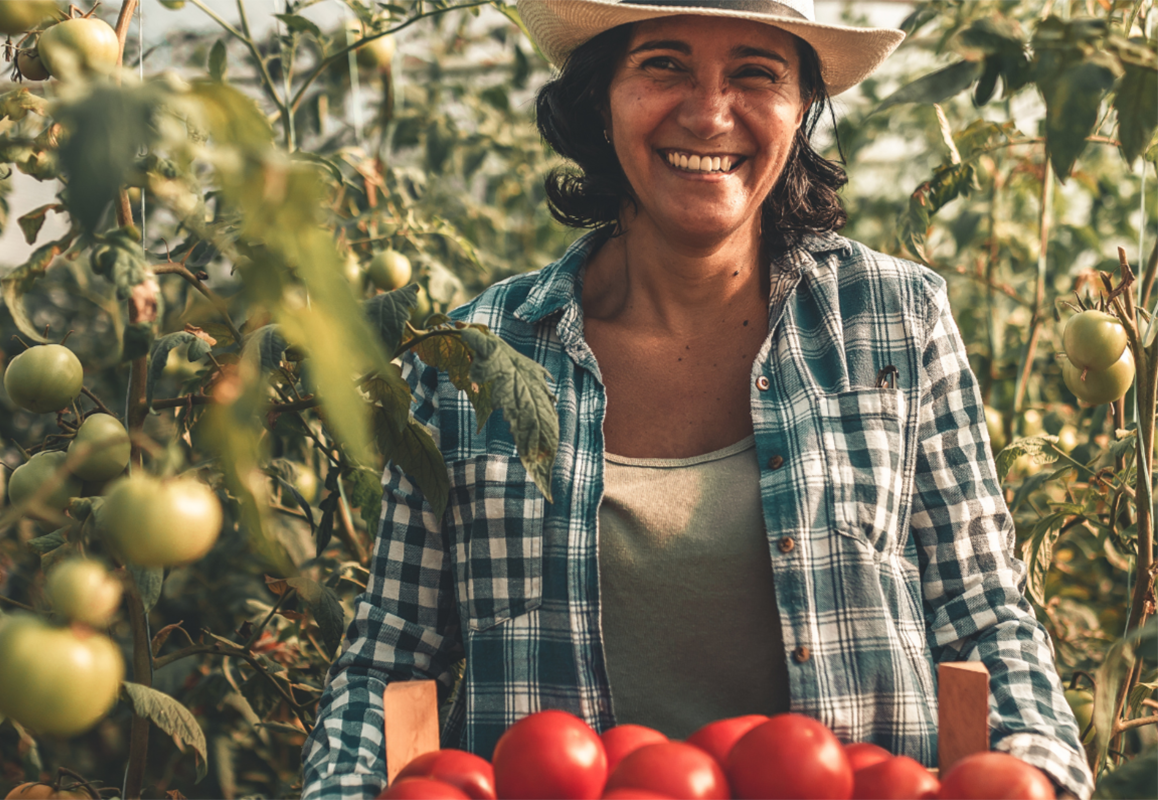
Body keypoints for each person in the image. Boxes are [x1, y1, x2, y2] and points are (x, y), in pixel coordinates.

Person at [301, 0, 1095, 797]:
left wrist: (1042, 775)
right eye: (663, 65)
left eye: (756, 73)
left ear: (803, 108)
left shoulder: (893, 322)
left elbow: (983, 617)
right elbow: (391, 659)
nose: (710, 115)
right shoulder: (473, 357)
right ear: (600, 93)